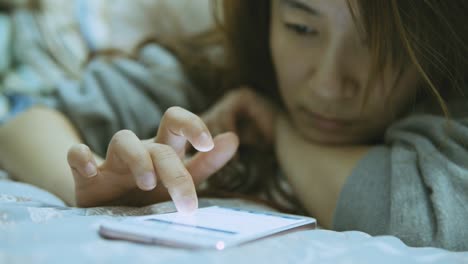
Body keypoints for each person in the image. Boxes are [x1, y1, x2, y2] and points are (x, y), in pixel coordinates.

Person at [1, 0, 467, 251]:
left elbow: (430, 219)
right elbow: (24, 118)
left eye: (378, 45)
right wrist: (86, 183)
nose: (328, 83)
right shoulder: (215, 73)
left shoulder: (448, 108)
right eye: (301, 29)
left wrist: (282, 130)